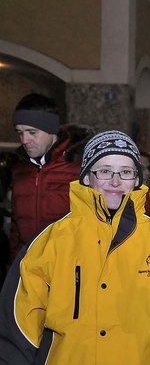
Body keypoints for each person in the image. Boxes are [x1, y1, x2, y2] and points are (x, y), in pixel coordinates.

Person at [0, 130, 150, 365]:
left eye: (126, 172)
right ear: (86, 177)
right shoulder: (50, 243)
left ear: (138, 179)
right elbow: (17, 334)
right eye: (104, 171)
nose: (115, 181)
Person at [9, 93, 93, 262]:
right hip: (27, 267)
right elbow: (16, 226)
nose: (25, 140)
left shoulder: (81, 167)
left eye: (32, 132)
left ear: (51, 129)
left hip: (68, 266)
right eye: (20, 132)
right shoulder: (19, 169)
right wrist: (14, 263)